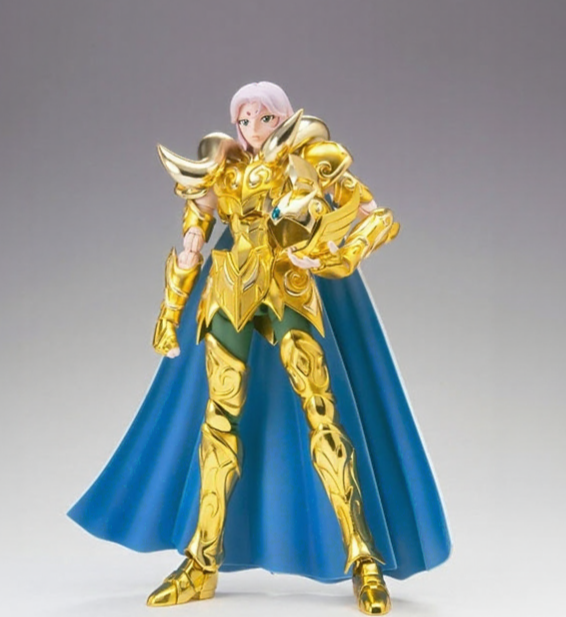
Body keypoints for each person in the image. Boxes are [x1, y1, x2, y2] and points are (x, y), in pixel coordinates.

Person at [68, 82, 451, 616]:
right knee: (218, 418)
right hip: (229, 289)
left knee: (322, 413)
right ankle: (201, 561)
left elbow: (375, 215)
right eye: (244, 120)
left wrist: (340, 257)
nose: (252, 128)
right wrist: (175, 297)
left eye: (263, 118)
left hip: (290, 282)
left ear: (283, 118)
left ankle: (363, 557)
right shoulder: (223, 168)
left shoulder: (310, 159)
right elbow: (195, 230)